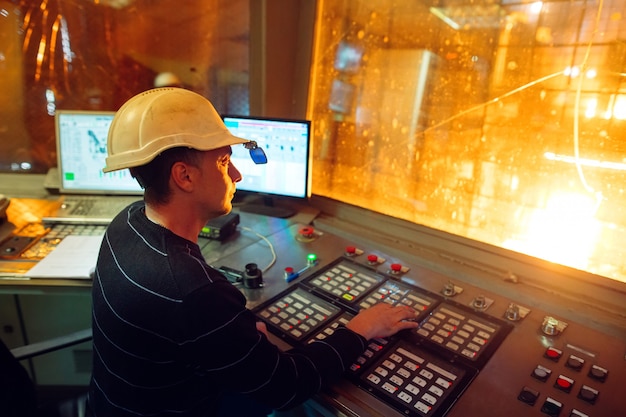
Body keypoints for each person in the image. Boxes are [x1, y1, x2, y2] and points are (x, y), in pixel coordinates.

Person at [88, 87, 419, 417]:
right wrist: (360, 330)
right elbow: (287, 386)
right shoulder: (194, 292)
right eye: (223, 161)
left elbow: (179, 327)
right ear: (184, 176)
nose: (236, 175)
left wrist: (228, 337)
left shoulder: (126, 223)